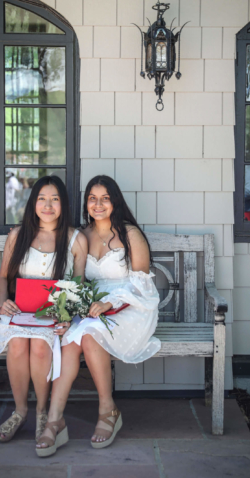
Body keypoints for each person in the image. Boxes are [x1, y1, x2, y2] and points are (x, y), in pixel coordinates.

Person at [36, 175, 161, 457]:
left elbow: (143, 285)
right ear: (86, 203)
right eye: (92, 198)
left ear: (114, 201)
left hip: (131, 308)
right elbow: (76, 282)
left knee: (91, 336)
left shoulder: (130, 234)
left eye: (105, 198)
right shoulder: (82, 236)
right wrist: (66, 313)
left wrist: (109, 303)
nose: (98, 204)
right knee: (68, 336)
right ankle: (55, 419)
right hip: (92, 310)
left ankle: (108, 409)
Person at [0, 175, 87, 443]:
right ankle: (20, 411)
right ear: (33, 203)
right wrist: (3, 302)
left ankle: (43, 412)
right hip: (19, 312)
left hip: (55, 316)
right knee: (18, 344)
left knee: (41, 346)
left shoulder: (75, 239)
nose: (48, 205)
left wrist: (67, 316)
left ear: (63, 204)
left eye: (54, 199)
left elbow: (77, 286)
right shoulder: (18, 235)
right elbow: (2, 279)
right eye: (42, 198)